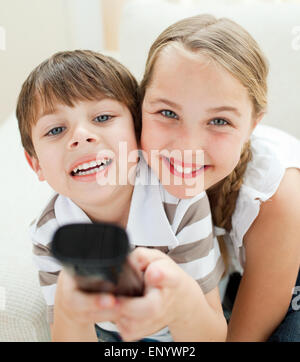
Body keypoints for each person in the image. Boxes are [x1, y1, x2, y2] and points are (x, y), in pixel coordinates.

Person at [105, 14, 300, 342]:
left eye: (219, 121)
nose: (187, 146)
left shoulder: (275, 196)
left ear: (253, 125)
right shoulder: (128, 161)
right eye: (168, 113)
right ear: (139, 107)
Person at [16, 49, 227, 342]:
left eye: (102, 117)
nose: (80, 135)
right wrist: (68, 308)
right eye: (56, 129)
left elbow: (211, 336)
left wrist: (179, 298)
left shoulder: (179, 200)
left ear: (138, 130)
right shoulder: (49, 234)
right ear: (36, 164)